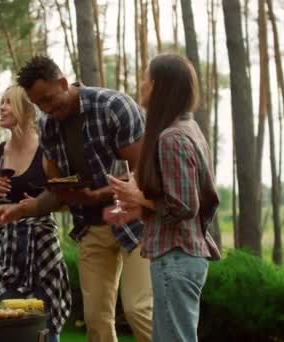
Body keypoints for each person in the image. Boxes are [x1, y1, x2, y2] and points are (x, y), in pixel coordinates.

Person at [0, 55, 153, 342]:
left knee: (139, 310)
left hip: (136, 222)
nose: (45, 108)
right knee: (96, 321)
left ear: (64, 83)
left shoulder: (112, 106)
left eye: (48, 98)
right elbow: (58, 191)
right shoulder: (48, 127)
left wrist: (97, 194)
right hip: (92, 227)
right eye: (38, 103)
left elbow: (145, 175)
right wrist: (25, 209)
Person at [104, 53, 221, 342]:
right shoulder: (189, 130)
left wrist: (138, 198)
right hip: (181, 256)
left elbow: (184, 206)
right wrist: (139, 202)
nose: (141, 86)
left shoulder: (172, 137)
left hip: (176, 257)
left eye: (145, 80)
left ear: (157, 87)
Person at [0, 85, 71, 342]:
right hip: (4, 247)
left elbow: (63, 199)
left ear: (27, 110)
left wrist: (35, 205)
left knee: (44, 319)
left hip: (41, 244)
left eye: (9, 102)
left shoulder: (46, 151)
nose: (1, 107)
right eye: (1, 101)